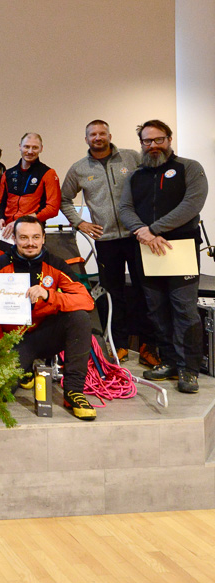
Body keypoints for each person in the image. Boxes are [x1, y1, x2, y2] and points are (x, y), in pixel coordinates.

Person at [119, 119, 209, 393]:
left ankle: (189, 369)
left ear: (169, 139)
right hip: (146, 250)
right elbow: (125, 209)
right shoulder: (135, 176)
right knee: (157, 310)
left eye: (159, 139)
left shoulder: (189, 168)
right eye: (147, 141)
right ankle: (169, 361)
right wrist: (142, 232)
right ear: (142, 145)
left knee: (185, 310)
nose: (153, 145)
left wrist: (154, 229)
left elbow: (192, 203)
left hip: (180, 249)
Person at [0, 216, 96, 420]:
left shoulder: (55, 264)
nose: (30, 243)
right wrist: (0, 346)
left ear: (44, 238)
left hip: (44, 335)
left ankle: (74, 391)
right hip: (13, 340)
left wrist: (49, 295)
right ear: (14, 238)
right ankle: (25, 368)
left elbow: (86, 301)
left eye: (36, 237)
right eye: (24, 237)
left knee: (79, 317)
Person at [60, 119, 147, 363]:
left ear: (109, 135)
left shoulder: (131, 158)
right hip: (106, 241)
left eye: (102, 133)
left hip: (137, 236)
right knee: (113, 294)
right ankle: (118, 344)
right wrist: (81, 223)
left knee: (144, 291)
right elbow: (64, 199)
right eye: (92, 134)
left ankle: (148, 347)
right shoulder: (79, 169)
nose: (98, 137)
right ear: (86, 139)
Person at [0, 133, 61, 238]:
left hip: (33, 229)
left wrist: (21, 222)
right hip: (7, 231)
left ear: (41, 149)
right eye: (26, 147)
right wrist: (1, 219)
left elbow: (53, 208)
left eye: (35, 147)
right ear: (20, 147)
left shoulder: (48, 173)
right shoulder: (8, 173)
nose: (30, 151)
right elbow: (0, 202)